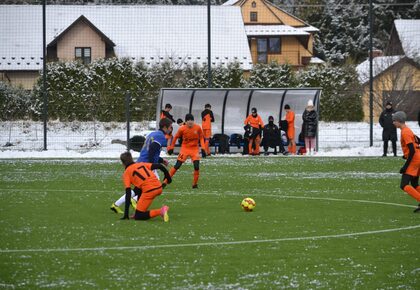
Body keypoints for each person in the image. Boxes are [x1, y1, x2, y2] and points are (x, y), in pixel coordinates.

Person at [110, 118, 172, 214]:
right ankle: (135, 201)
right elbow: (151, 150)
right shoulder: (161, 137)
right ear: (165, 127)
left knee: (139, 189)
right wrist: (153, 165)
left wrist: (161, 160)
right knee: (155, 186)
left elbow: (150, 151)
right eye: (170, 127)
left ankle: (116, 205)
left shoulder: (152, 134)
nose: (171, 129)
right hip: (146, 165)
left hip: (141, 162)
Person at [119, 152, 172, 221]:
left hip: (149, 191)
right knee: (140, 196)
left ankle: (161, 211)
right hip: (159, 187)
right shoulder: (141, 164)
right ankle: (138, 212)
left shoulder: (126, 173)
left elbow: (128, 194)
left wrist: (126, 214)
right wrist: (168, 178)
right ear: (132, 159)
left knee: (139, 216)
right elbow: (160, 166)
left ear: (123, 163)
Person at [165, 113, 206, 189]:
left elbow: (201, 138)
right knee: (177, 166)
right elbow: (175, 138)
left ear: (193, 121)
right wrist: (171, 148)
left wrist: (203, 148)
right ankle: (165, 181)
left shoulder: (198, 128)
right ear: (186, 121)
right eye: (188, 120)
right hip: (185, 149)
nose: (190, 122)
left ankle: (194, 184)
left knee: (196, 167)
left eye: (191, 120)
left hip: (194, 149)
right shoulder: (182, 128)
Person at [392, 111, 420, 213]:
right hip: (417, 158)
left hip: (414, 160)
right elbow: (417, 141)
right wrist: (406, 155)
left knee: (404, 185)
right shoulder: (408, 130)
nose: (393, 123)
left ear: (399, 121)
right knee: (414, 183)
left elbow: (412, 150)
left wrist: (405, 166)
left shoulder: (405, 132)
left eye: (394, 121)